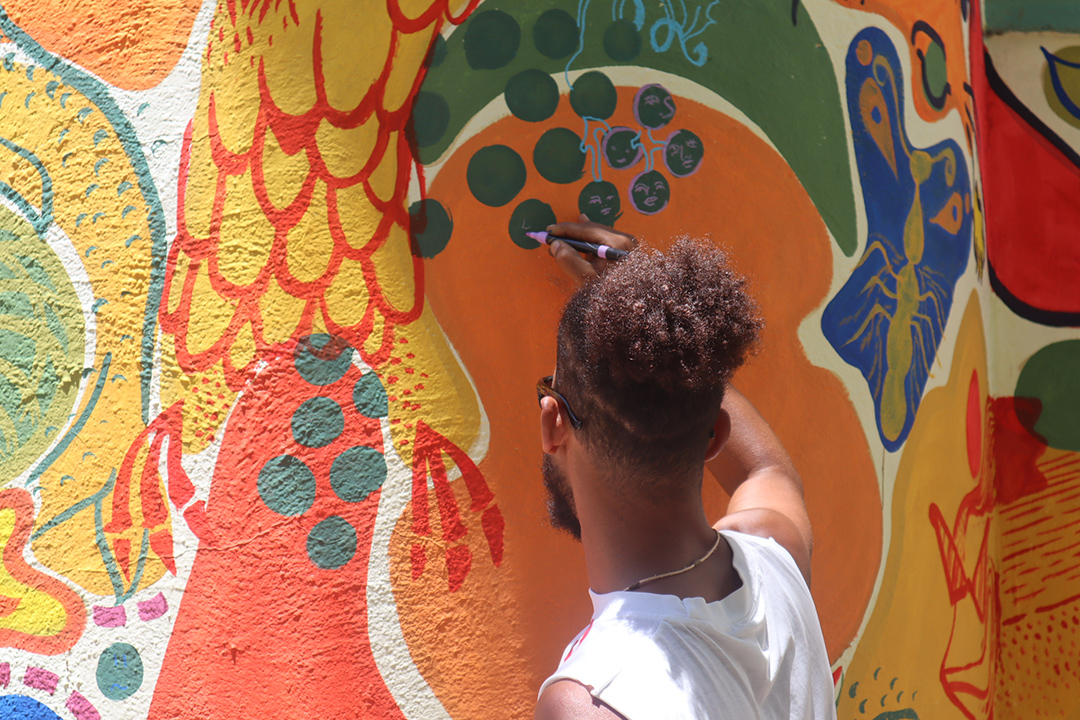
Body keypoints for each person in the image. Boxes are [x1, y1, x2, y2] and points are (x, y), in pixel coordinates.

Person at [533, 218, 837, 720]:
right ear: (714, 434)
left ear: (552, 424)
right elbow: (765, 472)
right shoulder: (774, 556)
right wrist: (662, 315)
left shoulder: (594, 701)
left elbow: (763, 471)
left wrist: (633, 302)